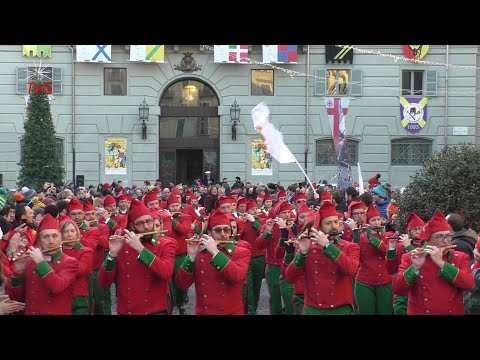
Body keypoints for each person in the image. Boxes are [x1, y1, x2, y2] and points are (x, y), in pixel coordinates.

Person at [98, 199, 176, 315]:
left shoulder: (166, 244)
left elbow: (166, 273)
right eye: (140, 223)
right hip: (127, 310)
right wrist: (112, 254)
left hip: (155, 310)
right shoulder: (122, 246)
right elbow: (103, 282)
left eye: (148, 221)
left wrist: (140, 249)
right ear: (131, 225)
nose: (146, 226)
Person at [284, 202, 360, 314]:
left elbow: (350, 269)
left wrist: (327, 246)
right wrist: (302, 253)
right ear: (319, 227)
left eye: (336, 222)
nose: (334, 226)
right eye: (328, 223)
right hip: (314, 309)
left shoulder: (350, 247)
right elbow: (290, 278)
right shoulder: (309, 248)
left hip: (342, 309)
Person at [393, 211, 474, 315]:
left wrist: (441, 263)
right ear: (428, 239)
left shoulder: (460, 257)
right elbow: (398, 289)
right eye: (440, 236)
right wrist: (415, 268)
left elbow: (469, 284)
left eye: (448, 236)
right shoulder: (411, 257)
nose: (446, 241)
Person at [175, 209, 251, 315]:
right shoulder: (200, 253)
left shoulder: (241, 252)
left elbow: (237, 277)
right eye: (218, 230)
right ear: (209, 233)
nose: (223, 234)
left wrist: (215, 252)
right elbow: (181, 284)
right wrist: (191, 256)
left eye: (226, 230)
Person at [6, 214, 79, 315]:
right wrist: (18, 272)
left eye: (55, 236)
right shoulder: (29, 261)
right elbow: (13, 295)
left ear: (61, 239)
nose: (51, 241)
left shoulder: (70, 262)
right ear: (39, 241)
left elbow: (57, 287)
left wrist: (40, 262)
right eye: (46, 237)